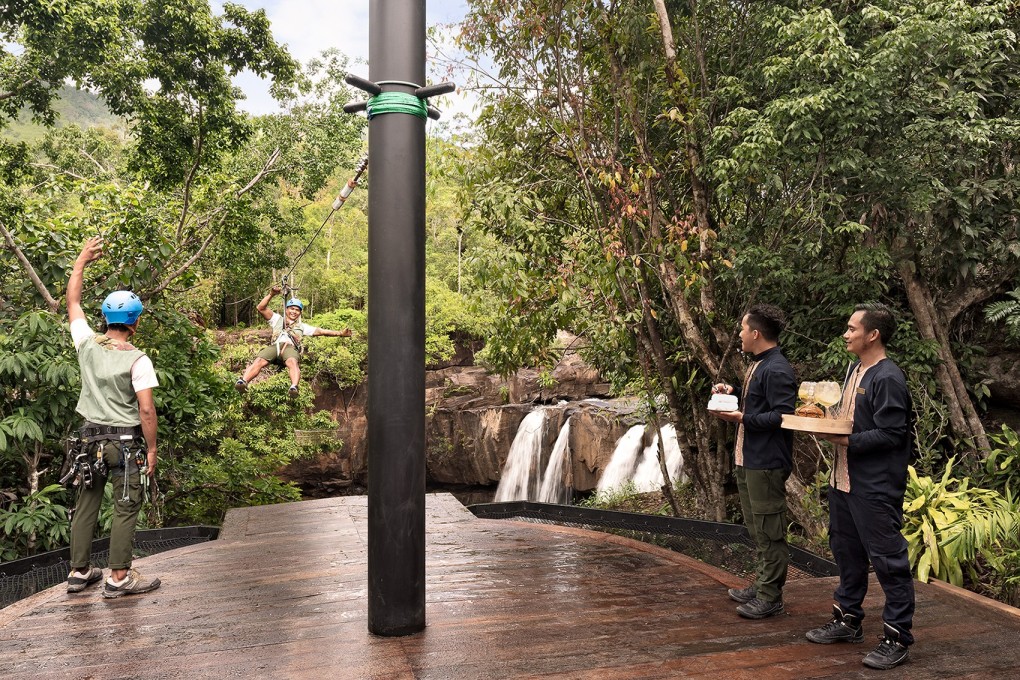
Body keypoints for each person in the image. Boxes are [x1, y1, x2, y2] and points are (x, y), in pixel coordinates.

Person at [805, 303, 915, 671]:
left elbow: (892, 433)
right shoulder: (856, 369)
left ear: (873, 334)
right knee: (847, 554)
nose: (846, 333)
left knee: (889, 562)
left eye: (852, 328)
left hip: (874, 488)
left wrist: (847, 441)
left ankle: (897, 637)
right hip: (843, 481)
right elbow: (849, 420)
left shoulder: (887, 377)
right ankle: (847, 620)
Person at [65, 236, 161, 598]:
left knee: (86, 503)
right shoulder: (138, 358)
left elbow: (73, 301)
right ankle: (119, 577)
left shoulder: (86, 343)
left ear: (105, 318)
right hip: (123, 443)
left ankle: (79, 572)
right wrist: (151, 449)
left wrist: (82, 261)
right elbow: (146, 409)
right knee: (125, 506)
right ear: (135, 323)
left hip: (88, 442)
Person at [710, 304, 797, 620]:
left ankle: (771, 596)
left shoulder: (777, 368)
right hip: (748, 460)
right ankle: (762, 583)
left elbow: (782, 416)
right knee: (757, 528)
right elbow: (759, 403)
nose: (740, 335)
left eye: (743, 329)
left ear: (756, 333)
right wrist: (729, 393)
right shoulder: (759, 365)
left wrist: (742, 417)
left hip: (766, 463)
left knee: (770, 529)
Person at [234, 285, 352, 397]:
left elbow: (321, 331)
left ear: (300, 313)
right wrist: (271, 294)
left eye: (297, 310)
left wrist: (340, 334)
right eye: (291, 309)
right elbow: (261, 308)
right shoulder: (276, 319)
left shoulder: (302, 326)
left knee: (292, 362)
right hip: (276, 347)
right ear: (286, 309)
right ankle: (243, 382)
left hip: (290, 348)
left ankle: (294, 387)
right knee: (259, 360)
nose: (294, 312)